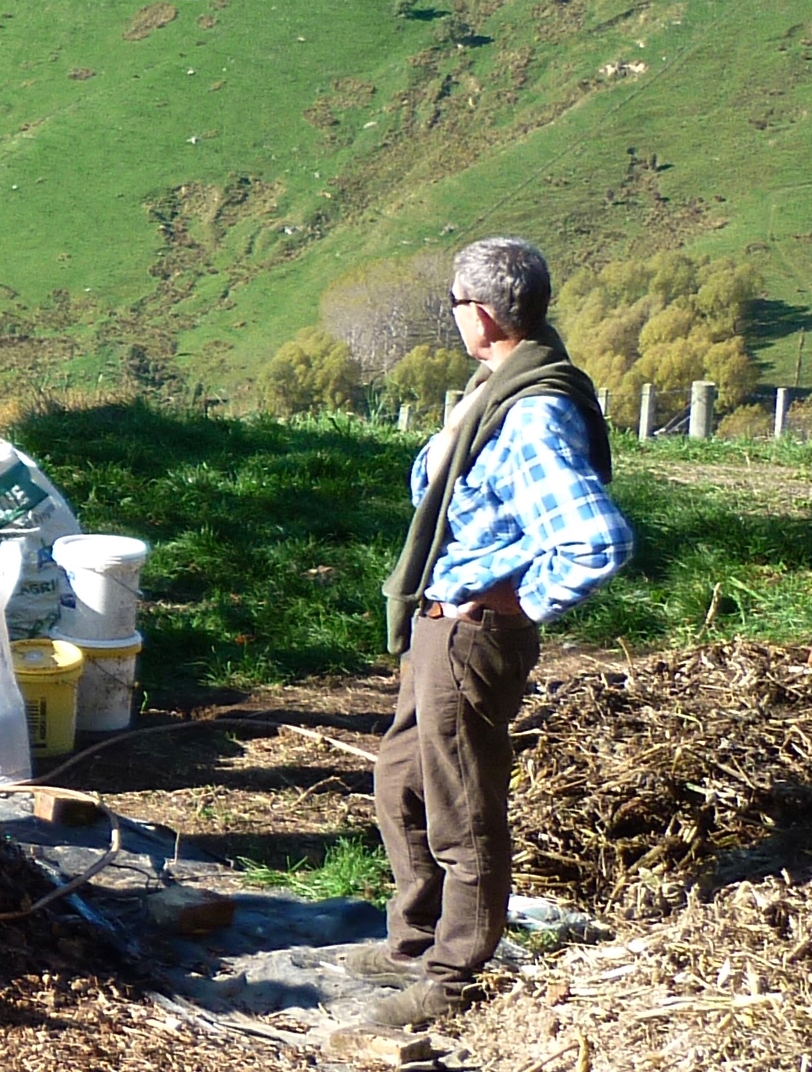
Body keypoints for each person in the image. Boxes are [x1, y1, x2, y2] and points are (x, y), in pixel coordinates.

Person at [348, 237, 634, 1030]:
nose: (452, 315)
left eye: (452, 302)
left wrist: (517, 596)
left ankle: (454, 974)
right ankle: (413, 939)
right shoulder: (497, 382)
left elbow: (596, 539)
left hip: (473, 633)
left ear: (479, 312)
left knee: (462, 810)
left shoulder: (534, 411)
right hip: (439, 622)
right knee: (400, 780)